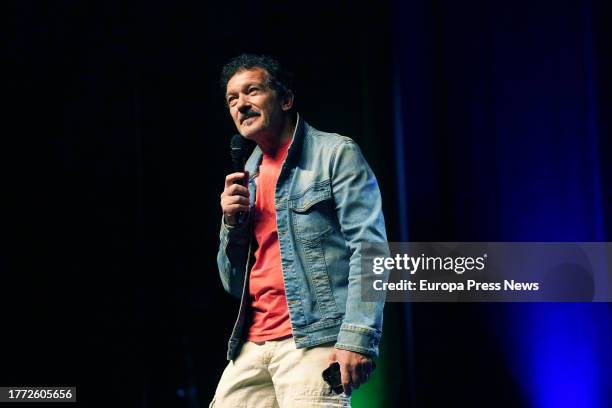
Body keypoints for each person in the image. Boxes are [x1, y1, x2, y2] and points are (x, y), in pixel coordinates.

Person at [211, 53, 388, 408]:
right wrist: (231, 225)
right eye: (233, 99)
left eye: (253, 92)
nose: (241, 104)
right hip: (251, 343)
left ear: (286, 99)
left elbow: (370, 250)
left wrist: (357, 337)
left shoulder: (335, 153)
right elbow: (232, 283)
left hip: (314, 340)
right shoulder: (248, 174)